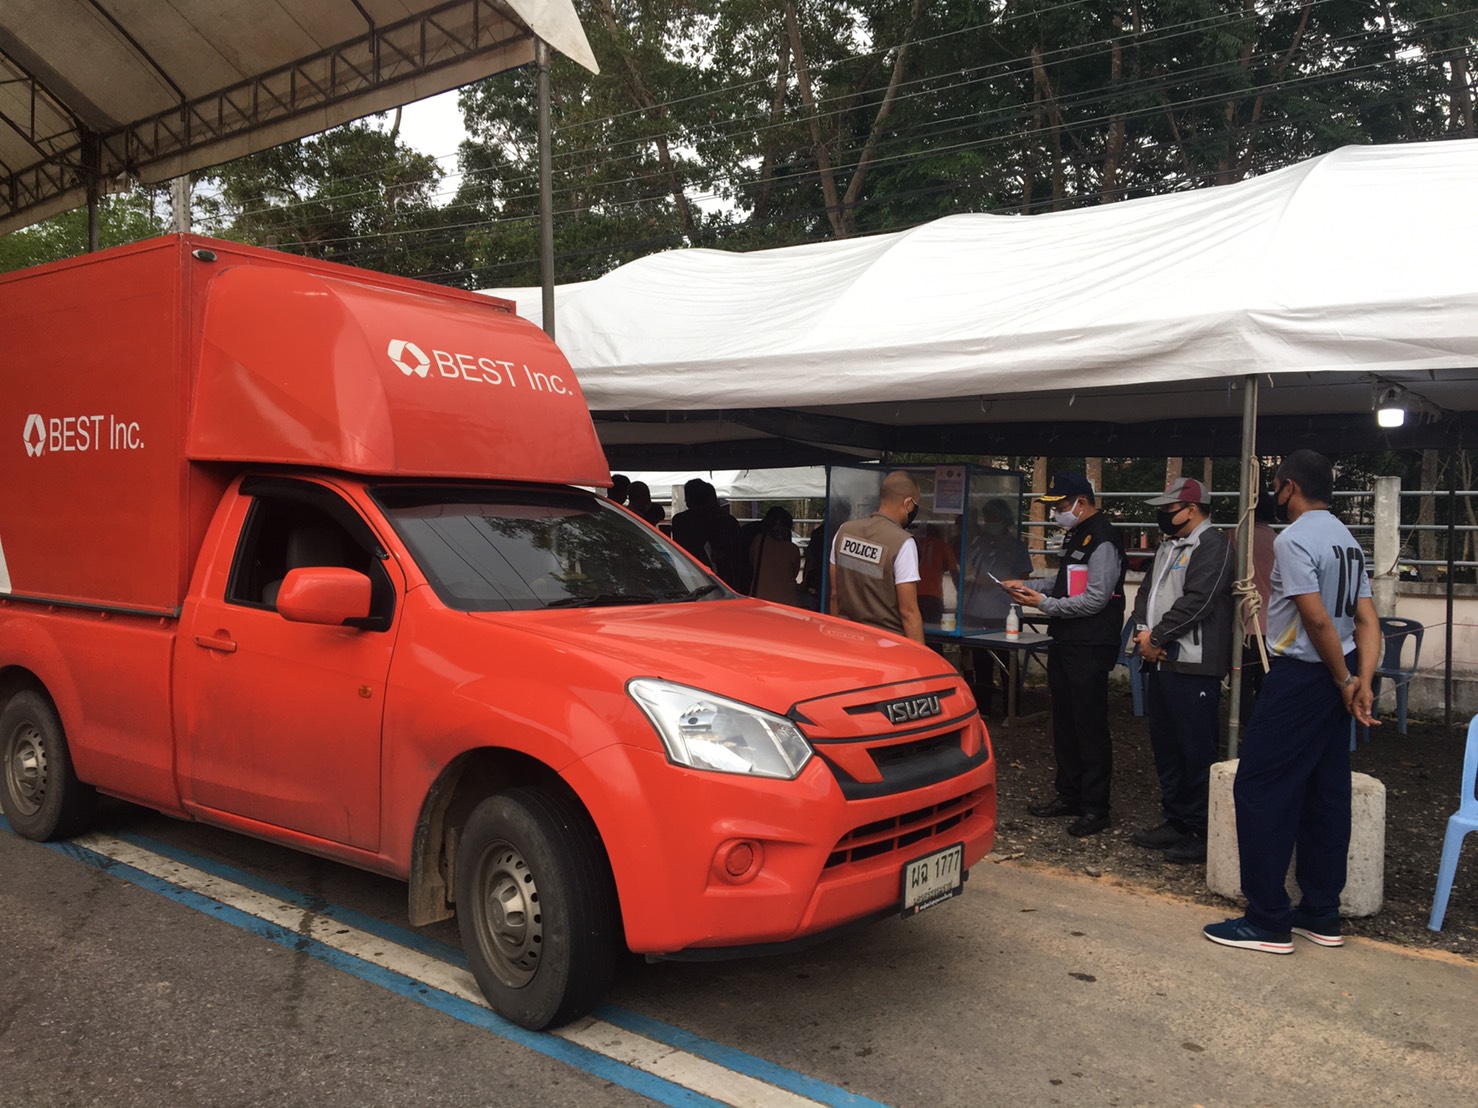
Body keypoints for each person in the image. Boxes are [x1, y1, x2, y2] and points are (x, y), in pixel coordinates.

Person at [1203, 449, 1381, 955]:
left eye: (1277, 486)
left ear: (1288, 487)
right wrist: (1362, 681)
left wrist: (1344, 679)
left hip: (1304, 675)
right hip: (1341, 673)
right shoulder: (1347, 539)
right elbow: (1367, 620)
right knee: (1326, 790)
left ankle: (1267, 919)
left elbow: (1316, 618)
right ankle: (1321, 911)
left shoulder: (1295, 539)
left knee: (1259, 787)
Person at [1003, 472, 1125, 838]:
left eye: (1061, 506)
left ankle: (1095, 807)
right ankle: (1069, 794)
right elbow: (1064, 584)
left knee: (1089, 724)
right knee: (1066, 722)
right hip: (1067, 640)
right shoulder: (1077, 535)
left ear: (1081, 503)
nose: (1057, 512)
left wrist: (1045, 604)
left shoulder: (1103, 538)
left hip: (1091, 643)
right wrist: (1027, 586)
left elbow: (1096, 598)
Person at [1129, 477, 1235, 864]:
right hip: (1160, 659)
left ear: (1192, 509)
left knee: (1195, 748)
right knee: (1167, 746)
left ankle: (1201, 829)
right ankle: (1175, 819)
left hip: (1194, 664)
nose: (1163, 515)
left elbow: (1199, 600)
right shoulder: (1168, 546)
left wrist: (1157, 636)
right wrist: (1144, 633)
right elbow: (1146, 593)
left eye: (1169, 509)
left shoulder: (1213, 546)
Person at [829, 470, 924, 643]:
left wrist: (836, 640)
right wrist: (920, 656)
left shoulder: (843, 532)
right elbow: (909, 613)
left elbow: (835, 595)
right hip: (887, 645)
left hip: (846, 639)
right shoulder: (903, 543)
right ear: (908, 503)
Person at [961, 499, 1034, 714]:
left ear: (1004, 520)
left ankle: (1011, 710)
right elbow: (968, 568)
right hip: (978, 610)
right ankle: (983, 707)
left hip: (1005, 611)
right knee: (981, 661)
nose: (990, 522)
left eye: (994, 518)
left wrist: (1006, 582)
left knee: (1007, 662)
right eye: (987, 518)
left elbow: (1024, 576)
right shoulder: (978, 543)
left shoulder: (1016, 546)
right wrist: (976, 578)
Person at [671, 479, 745, 588]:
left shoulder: (681, 521)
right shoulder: (727, 521)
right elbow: (738, 552)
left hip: (690, 577)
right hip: (726, 578)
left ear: (688, 499)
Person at [748, 507, 801, 604]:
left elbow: (752, 563)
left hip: (760, 598)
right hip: (788, 601)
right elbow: (794, 573)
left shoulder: (759, 541)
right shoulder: (793, 549)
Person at [914, 522, 960, 624]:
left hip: (912, 593)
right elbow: (954, 572)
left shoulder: (914, 545)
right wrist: (961, 593)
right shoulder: (942, 546)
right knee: (934, 627)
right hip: (933, 595)